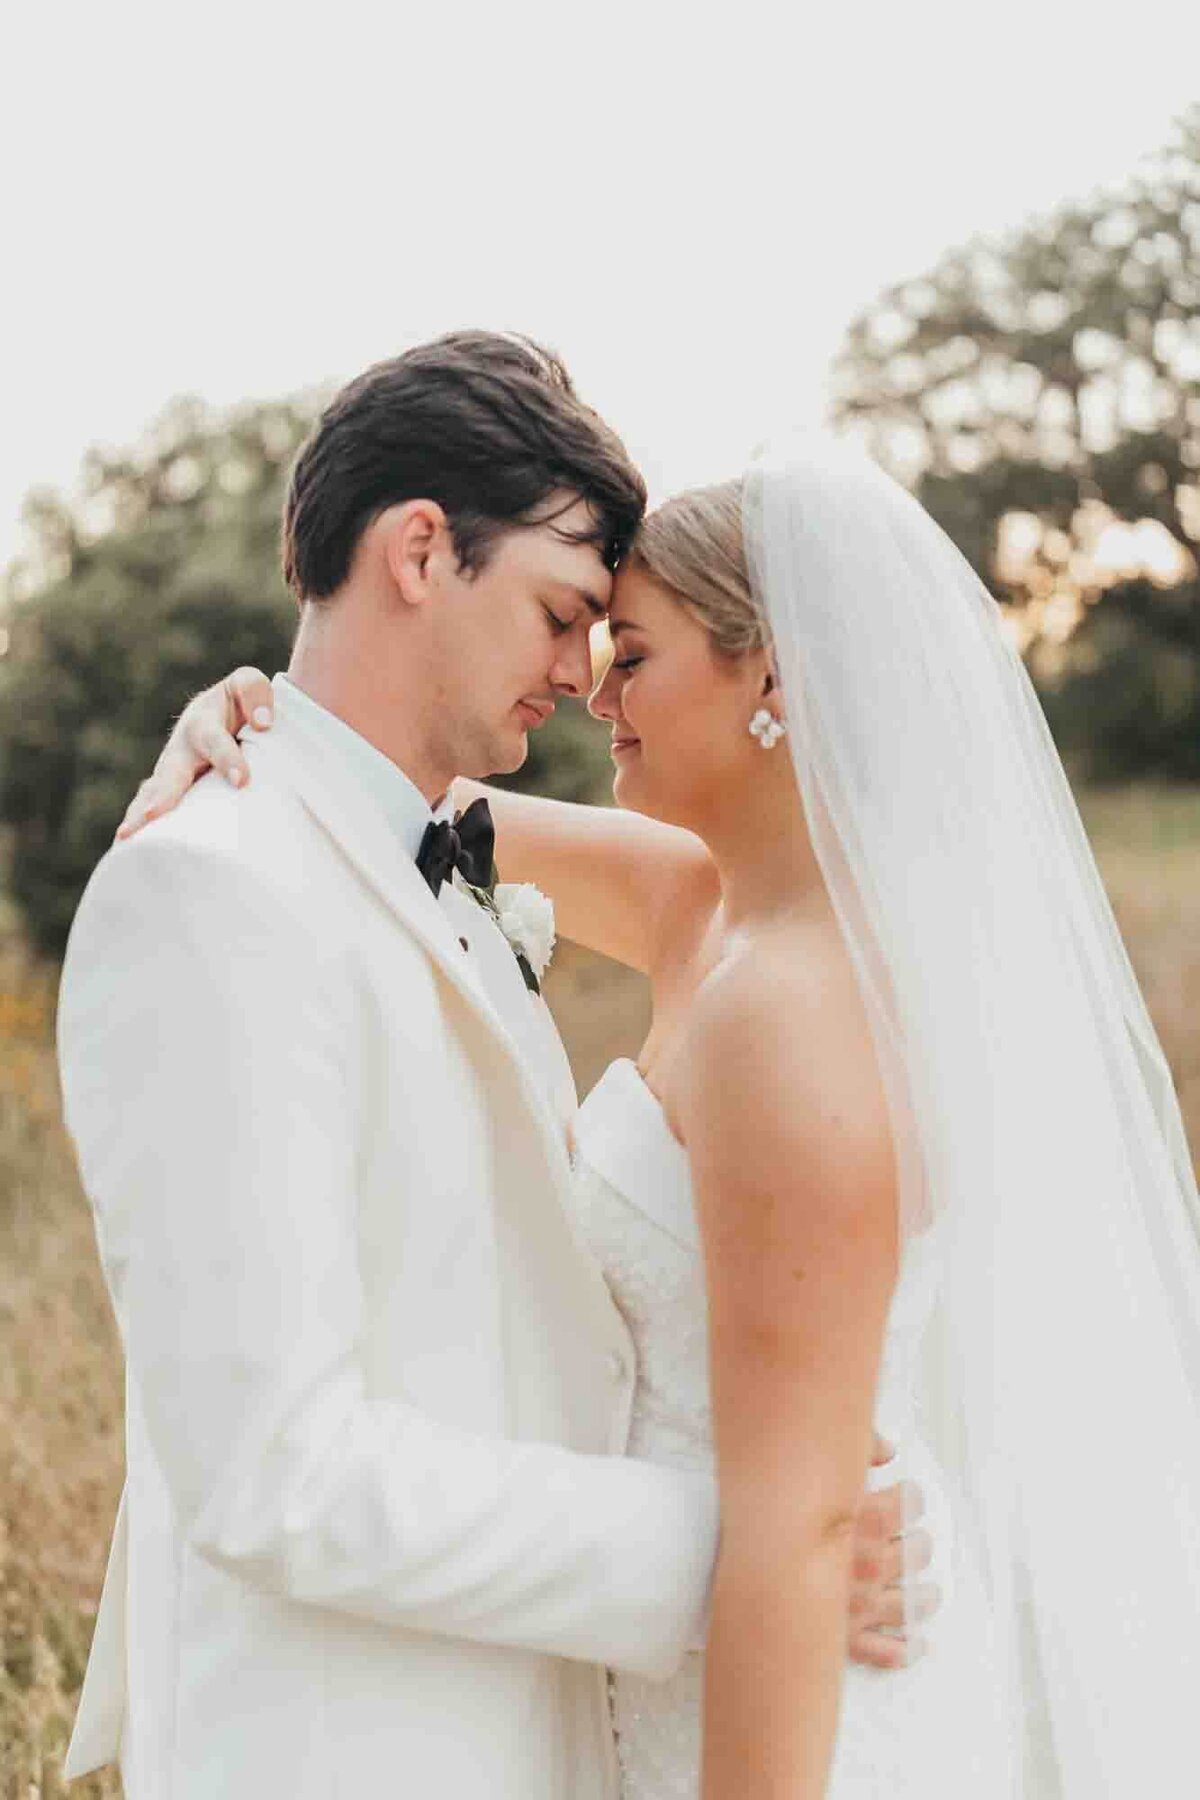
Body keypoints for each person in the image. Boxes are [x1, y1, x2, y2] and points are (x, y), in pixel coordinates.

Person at [137, 432, 1200, 1797]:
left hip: (799, 1709)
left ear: (771, 674)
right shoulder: (713, 909)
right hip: (666, 1653)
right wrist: (245, 725)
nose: (591, 693)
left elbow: (800, 1534)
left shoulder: (790, 1016)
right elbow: (408, 810)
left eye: (630, 655)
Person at [58, 337, 919, 1800]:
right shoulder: (209, 893)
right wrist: (746, 1542)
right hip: (354, 1748)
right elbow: (274, 1469)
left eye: (616, 639)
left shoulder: (417, 841)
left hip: (552, 1717)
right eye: (562, 613)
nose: (583, 676)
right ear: (416, 552)